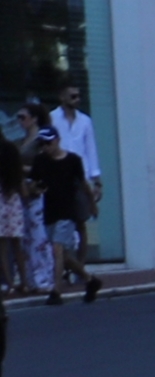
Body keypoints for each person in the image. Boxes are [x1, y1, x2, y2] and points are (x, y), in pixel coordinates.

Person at [30, 127, 97, 304]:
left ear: (57, 140)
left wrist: (91, 204)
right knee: (64, 256)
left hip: (68, 211)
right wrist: (36, 188)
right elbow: (34, 183)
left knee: (57, 249)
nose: (45, 147)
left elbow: (83, 185)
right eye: (42, 144)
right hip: (50, 211)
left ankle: (56, 291)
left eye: (48, 142)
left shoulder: (73, 160)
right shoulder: (40, 161)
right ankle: (90, 279)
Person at [50, 84, 102, 267]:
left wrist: (96, 180)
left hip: (81, 177)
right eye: (72, 96)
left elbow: (91, 150)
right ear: (62, 97)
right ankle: (63, 264)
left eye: (78, 96)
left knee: (81, 222)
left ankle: (80, 265)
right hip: (59, 177)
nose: (77, 99)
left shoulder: (85, 121)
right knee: (61, 224)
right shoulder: (52, 118)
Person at [0, 135, 26, 297]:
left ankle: (9, 283)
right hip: (13, 200)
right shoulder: (11, 150)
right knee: (17, 245)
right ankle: (24, 281)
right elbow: (20, 179)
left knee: (2, 248)